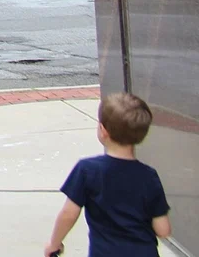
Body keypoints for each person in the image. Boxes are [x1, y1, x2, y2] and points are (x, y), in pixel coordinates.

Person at [44, 92, 172, 256]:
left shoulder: (87, 170)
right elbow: (163, 230)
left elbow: (69, 214)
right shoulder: (149, 176)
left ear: (103, 130)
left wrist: (54, 244)